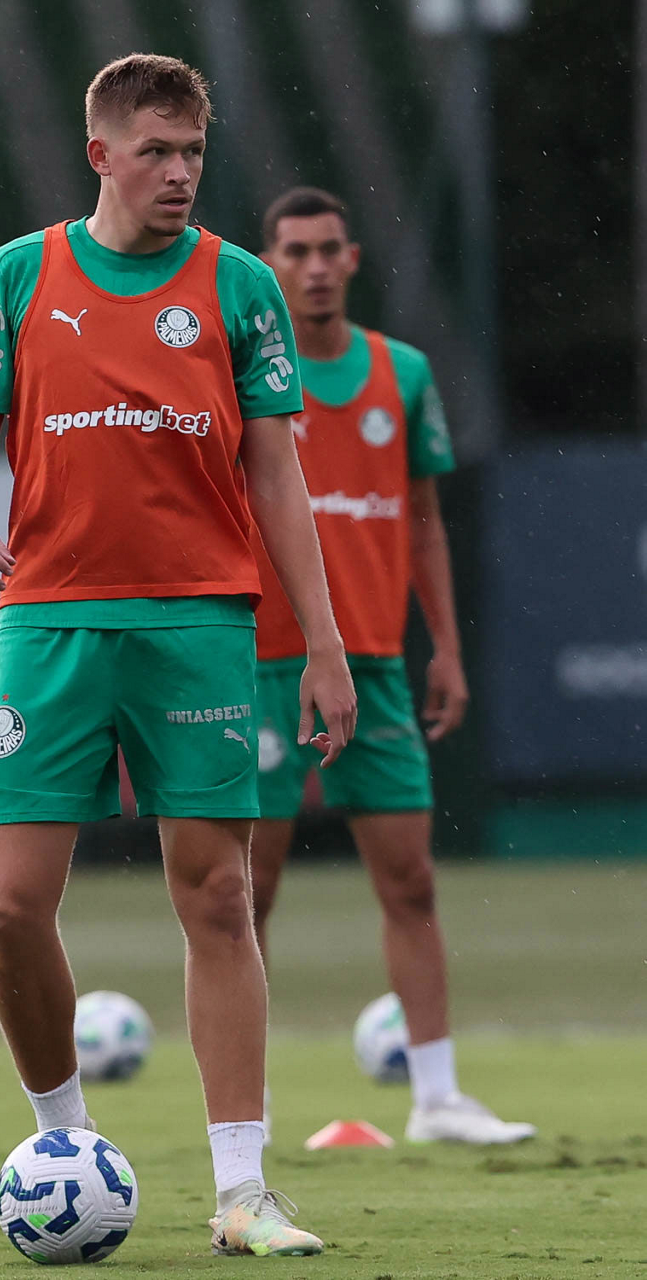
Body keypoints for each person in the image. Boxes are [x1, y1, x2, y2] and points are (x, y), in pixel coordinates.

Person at [0, 58, 356, 1258]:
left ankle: (243, 1191)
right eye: (157, 150)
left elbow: (276, 475)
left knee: (217, 895)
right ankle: (64, 1141)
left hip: (199, 624)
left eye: (193, 151)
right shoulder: (17, 277)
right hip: (50, 622)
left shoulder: (240, 286)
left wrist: (321, 642)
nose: (180, 173)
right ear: (100, 155)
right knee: (8, 907)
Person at [250, 187, 536, 1146]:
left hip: (370, 665)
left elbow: (421, 522)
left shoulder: (399, 373)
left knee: (409, 881)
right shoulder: (243, 369)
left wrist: (444, 646)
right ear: (268, 265)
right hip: (261, 661)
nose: (314, 267)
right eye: (295, 251)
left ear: (352, 260)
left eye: (328, 249)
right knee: (244, 893)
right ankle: (246, 1108)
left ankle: (437, 1097)